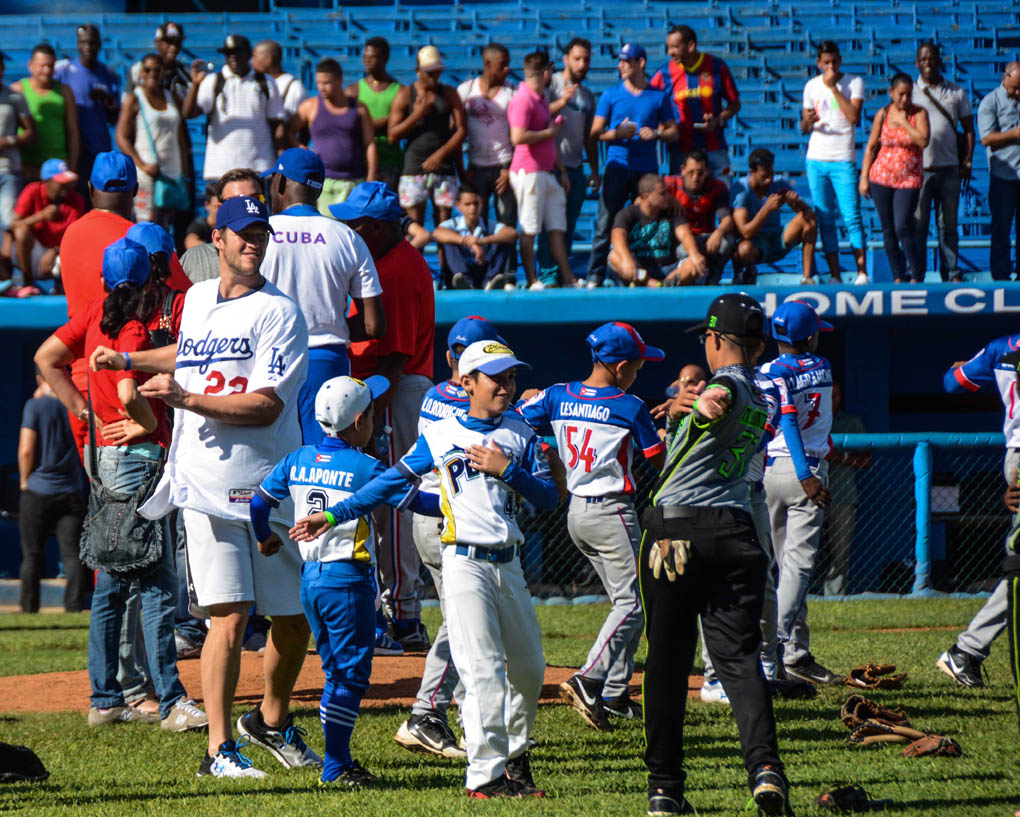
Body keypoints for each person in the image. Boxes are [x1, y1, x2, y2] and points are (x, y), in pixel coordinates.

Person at [91, 196, 318, 777]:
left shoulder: (280, 312)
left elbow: (266, 407)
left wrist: (187, 399)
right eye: (242, 233)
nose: (253, 242)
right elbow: (188, 352)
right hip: (205, 485)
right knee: (230, 617)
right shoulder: (194, 299)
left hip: (269, 489)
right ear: (216, 240)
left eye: (260, 233)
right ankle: (219, 750)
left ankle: (270, 721)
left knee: (292, 621)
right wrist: (128, 358)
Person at [291, 339, 556, 799]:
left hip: (508, 565)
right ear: (467, 382)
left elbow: (550, 499)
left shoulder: (521, 432)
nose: (507, 385)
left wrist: (508, 470)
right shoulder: (441, 434)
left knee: (531, 669)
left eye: (512, 376)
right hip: (463, 561)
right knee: (482, 670)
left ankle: (514, 755)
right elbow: (389, 482)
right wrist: (333, 515)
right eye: (497, 377)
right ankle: (486, 776)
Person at [35, 236, 206, 734]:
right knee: (154, 582)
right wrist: (146, 422)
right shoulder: (131, 328)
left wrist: (84, 409)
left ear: (106, 280)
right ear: (152, 278)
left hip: (105, 460)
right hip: (136, 461)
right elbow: (131, 390)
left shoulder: (94, 314)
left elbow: (47, 358)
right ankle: (171, 701)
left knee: (110, 583)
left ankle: (106, 699)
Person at [640, 292, 791, 817]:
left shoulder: (724, 384)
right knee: (739, 661)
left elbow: (718, 398)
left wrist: (703, 403)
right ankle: (766, 769)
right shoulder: (763, 392)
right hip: (734, 532)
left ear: (718, 340)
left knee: (666, 662)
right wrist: (686, 413)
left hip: (677, 533)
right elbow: (713, 420)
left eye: (707, 339)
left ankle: (665, 788)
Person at [253, 375, 441, 786]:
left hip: (312, 581)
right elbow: (416, 502)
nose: (374, 420)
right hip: (346, 580)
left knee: (338, 670)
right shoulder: (365, 466)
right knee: (348, 675)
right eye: (371, 413)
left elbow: (259, 501)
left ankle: (337, 761)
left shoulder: (297, 458)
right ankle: (336, 766)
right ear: (358, 421)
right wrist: (459, 498)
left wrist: (265, 537)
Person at [520, 322, 665, 730]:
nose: (638, 372)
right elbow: (659, 461)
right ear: (619, 367)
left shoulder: (557, 394)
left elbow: (515, 418)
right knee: (635, 602)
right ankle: (589, 679)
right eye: (636, 366)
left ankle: (616, 693)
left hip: (576, 513)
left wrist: (543, 436)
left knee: (628, 601)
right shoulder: (629, 404)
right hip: (613, 510)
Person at [393, 316, 504, 759]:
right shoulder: (465, 402)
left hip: (433, 515)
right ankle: (427, 713)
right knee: (462, 622)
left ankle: (463, 711)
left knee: (469, 619)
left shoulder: (434, 393)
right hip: (446, 520)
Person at [331, 182, 435, 652]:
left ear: (373, 227)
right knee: (385, 502)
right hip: (386, 388)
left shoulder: (398, 269)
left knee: (395, 501)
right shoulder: (386, 260)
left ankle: (405, 615)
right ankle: (399, 608)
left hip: (398, 388)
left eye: (354, 224)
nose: (348, 230)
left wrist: (371, 411)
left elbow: (395, 356)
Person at [59, 151, 191, 454]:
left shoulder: (70, 235)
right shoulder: (141, 240)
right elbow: (189, 303)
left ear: (91, 190)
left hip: (84, 380)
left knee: (99, 495)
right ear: (134, 191)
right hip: (130, 383)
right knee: (138, 496)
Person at [261, 147, 384, 443]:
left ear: (279, 183)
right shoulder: (347, 236)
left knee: (274, 462)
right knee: (325, 462)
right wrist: (333, 324)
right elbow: (373, 326)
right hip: (327, 362)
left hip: (271, 359)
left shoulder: (258, 234)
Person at [759, 301, 840, 686]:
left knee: (780, 569)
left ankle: (795, 652)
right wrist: (808, 472)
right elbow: (790, 418)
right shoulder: (821, 365)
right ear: (809, 336)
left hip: (768, 471)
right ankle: (772, 647)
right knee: (796, 568)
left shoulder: (766, 371)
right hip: (805, 469)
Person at [934, 334, 1020, 687]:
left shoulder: (1004, 346)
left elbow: (952, 383)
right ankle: (966, 650)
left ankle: (967, 650)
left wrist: (976, 367)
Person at [588, 43, 677, 287]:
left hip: (646, 171)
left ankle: (649, 274)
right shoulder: (611, 95)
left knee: (648, 224)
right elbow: (595, 134)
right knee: (606, 222)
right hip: (617, 166)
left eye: (627, 61)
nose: (621, 66)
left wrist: (657, 133)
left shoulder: (658, 96)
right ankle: (595, 276)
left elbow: (673, 132)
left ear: (641, 63)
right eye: (620, 61)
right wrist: (617, 134)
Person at [17, 368, 87, 613]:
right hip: (71, 490)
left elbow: (26, 448)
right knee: (72, 553)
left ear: (38, 378)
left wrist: (24, 479)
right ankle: (74, 607)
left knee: (32, 553)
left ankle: (29, 607)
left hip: (38, 490)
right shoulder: (76, 406)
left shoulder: (34, 407)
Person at [801, 41, 867, 284]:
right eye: (826, 63)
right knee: (825, 217)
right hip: (816, 158)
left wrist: (835, 89)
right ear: (819, 63)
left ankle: (862, 272)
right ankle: (835, 275)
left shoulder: (853, 82)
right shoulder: (810, 86)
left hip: (842, 158)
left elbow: (853, 117)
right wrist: (808, 120)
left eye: (834, 62)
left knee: (851, 216)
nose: (830, 66)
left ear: (840, 60)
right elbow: (805, 126)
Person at [508, 51, 576, 289]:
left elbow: (549, 138)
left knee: (556, 228)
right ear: (545, 72)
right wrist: (550, 133)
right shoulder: (523, 99)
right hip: (529, 172)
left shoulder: (540, 98)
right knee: (530, 227)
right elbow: (517, 136)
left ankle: (568, 279)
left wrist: (561, 170)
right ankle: (531, 279)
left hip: (547, 171)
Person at [182, 34, 285, 182]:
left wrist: (279, 161)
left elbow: (276, 124)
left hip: (258, 167)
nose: (233, 57)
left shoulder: (266, 82)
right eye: (228, 53)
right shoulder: (213, 81)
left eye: (238, 52)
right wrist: (195, 85)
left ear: (249, 54)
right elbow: (188, 113)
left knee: (256, 205)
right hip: (220, 169)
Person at [913, 42, 975, 283]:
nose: (928, 61)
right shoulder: (911, 92)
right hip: (919, 170)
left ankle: (951, 273)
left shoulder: (957, 92)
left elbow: (969, 130)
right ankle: (916, 274)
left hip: (949, 168)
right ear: (916, 63)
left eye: (932, 57)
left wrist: (968, 160)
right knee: (918, 226)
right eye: (923, 58)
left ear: (940, 60)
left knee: (948, 226)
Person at [538, 37, 598, 283]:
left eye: (586, 59)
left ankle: (563, 274)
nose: (582, 64)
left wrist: (593, 169)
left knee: (568, 226)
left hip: (575, 168)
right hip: (549, 168)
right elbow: (536, 116)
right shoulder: (550, 86)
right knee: (547, 226)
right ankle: (547, 274)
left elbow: (589, 137)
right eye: (577, 59)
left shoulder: (587, 96)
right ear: (566, 60)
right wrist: (560, 101)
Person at [859, 72, 930, 283]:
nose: (905, 99)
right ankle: (898, 275)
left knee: (903, 226)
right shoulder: (882, 113)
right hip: (881, 177)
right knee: (888, 229)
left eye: (908, 95)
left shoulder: (919, 114)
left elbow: (923, 141)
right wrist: (864, 177)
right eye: (900, 95)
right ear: (891, 93)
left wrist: (904, 122)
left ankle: (917, 274)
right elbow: (871, 147)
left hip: (908, 180)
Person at [388, 46, 467, 228]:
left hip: (444, 167)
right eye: (429, 73)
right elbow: (392, 135)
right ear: (418, 72)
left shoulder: (448, 94)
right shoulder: (405, 95)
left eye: (437, 72)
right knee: (415, 224)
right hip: (414, 166)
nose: (434, 77)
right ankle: (416, 257)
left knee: (445, 224)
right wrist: (417, 115)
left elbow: (462, 130)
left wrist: (440, 155)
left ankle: (445, 257)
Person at [650, 25, 741, 181]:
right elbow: (650, 106)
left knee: (723, 196)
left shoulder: (717, 67)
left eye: (675, 47)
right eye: (668, 47)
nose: (669, 52)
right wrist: (662, 126)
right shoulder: (663, 73)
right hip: (681, 151)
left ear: (691, 45)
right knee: (682, 201)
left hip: (714, 149)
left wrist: (717, 120)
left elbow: (735, 104)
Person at [290, 59, 377, 213]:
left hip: (354, 181)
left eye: (327, 83)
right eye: (318, 83)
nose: (321, 88)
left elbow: (369, 143)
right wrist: (299, 146)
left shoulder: (359, 108)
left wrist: (371, 176)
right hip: (324, 184)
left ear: (339, 80)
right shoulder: (310, 106)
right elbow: (287, 131)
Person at [115, 53, 190, 229]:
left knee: (167, 229)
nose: (152, 74)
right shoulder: (135, 98)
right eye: (147, 69)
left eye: (157, 69)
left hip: (173, 176)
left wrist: (185, 176)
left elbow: (181, 140)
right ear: (141, 72)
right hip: (148, 176)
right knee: (146, 227)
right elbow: (121, 136)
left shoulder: (171, 97)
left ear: (163, 72)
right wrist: (142, 164)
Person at [732, 148, 819, 284]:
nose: (769, 180)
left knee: (809, 218)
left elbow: (808, 213)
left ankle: (807, 277)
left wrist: (797, 203)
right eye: (764, 177)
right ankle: (745, 275)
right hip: (754, 242)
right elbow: (745, 233)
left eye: (771, 174)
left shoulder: (778, 183)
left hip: (776, 238)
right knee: (743, 249)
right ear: (751, 172)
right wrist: (766, 209)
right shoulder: (741, 190)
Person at [55, 24, 120, 200]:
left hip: (99, 149)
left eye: (92, 43)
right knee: (75, 202)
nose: (88, 47)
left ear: (99, 44)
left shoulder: (108, 75)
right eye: (83, 42)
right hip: (74, 150)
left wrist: (108, 102)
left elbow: (114, 119)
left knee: (99, 201)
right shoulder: (63, 72)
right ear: (77, 44)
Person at [458, 43, 517, 231]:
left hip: (503, 167)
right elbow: (456, 130)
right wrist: (462, 170)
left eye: (508, 64)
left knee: (506, 222)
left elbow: (518, 133)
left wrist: (510, 169)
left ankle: (507, 262)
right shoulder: (466, 91)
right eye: (503, 65)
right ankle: (480, 261)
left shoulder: (511, 93)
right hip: (476, 167)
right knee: (476, 223)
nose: (508, 69)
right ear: (488, 64)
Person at [3, 159, 84, 293]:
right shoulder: (32, 190)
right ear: (47, 182)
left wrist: (54, 251)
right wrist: (41, 216)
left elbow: (77, 238)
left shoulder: (76, 200)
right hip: (34, 254)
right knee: (20, 232)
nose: (66, 187)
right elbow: (14, 224)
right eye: (61, 183)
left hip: (59, 254)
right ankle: (27, 282)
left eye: (67, 182)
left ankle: (62, 285)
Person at [609, 172, 704, 286]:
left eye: (667, 192)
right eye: (662, 194)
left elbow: (684, 233)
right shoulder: (628, 213)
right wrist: (626, 259)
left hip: (669, 269)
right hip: (639, 269)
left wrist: (694, 254)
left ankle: (666, 284)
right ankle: (650, 283)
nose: (668, 197)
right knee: (613, 256)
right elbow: (617, 236)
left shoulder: (671, 212)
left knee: (692, 264)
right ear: (645, 197)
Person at [820, 378, 868, 597]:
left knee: (840, 555)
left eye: (837, 394)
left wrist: (838, 456)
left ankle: (834, 598)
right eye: (829, 394)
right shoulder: (808, 420)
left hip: (843, 497)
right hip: (810, 496)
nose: (833, 399)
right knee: (805, 552)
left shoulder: (851, 422)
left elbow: (866, 461)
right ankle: (805, 597)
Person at [664, 150, 737, 284]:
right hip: (681, 239)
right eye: (691, 172)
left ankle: (713, 279)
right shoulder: (671, 185)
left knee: (726, 242)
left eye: (700, 172)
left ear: (707, 171)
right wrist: (670, 199)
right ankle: (686, 280)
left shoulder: (717, 187)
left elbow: (727, 220)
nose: (695, 177)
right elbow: (646, 195)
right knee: (684, 251)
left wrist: (718, 233)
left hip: (706, 236)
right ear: (683, 170)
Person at [179, 167, 261, 284]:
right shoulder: (196, 258)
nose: (249, 206)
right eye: (237, 201)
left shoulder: (279, 248)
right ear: (219, 207)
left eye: (256, 199)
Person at [977, 62, 1020, 282]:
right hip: (1003, 177)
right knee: (1002, 229)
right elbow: (987, 139)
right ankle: (1001, 278)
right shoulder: (990, 103)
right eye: (1015, 88)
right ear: (1005, 79)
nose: (1018, 92)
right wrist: (1015, 134)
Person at [12, 44, 79, 182]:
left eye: (51, 66)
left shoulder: (64, 92)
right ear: (30, 65)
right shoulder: (18, 90)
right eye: (42, 66)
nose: (47, 70)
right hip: (27, 166)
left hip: (58, 168)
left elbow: (73, 131)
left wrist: (72, 166)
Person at [434, 185, 517, 290]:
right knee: (448, 241)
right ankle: (463, 281)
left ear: (481, 204)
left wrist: (482, 241)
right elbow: (437, 233)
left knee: (503, 239)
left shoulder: (488, 224)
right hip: (458, 274)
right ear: (458, 206)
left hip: (483, 272)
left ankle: (491, 281)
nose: (472, 208)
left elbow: (512, 233)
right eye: (468, 204)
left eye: (476, 204)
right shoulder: (453, 224)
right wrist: (468, 242)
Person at [347, 37, 403, 190]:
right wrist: (387, 120)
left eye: (372, 57)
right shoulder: (354, 90)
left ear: (385, 58)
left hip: (391, 161)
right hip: (361, 162)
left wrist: (368, 124)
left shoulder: (399, 91)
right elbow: (350, 124)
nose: (367, 61)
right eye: (365, 57)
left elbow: (400, 126)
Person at [0, 52, 36, 237]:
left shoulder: (14, 97)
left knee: (9, 223)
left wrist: (8, 141)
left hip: (8, 170)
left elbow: (31, 132)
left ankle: (7, 264)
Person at [128, 22, 191, 106]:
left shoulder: (186, 72)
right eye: (169, 42)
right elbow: (126, 99)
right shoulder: (139, 69)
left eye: (177, 42)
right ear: (158, 43)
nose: (173, 47)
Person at [251, 40, 307, 125]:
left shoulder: (294, 87)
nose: (251, 62)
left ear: (268, 59)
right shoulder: (253, 83)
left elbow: (297, 124)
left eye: (255, 56)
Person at [184, 184, 217, 249]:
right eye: (217, 206)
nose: (222, 209)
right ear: (207, 205)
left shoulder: (229, 226)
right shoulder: (198, 225)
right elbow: (190, 241)